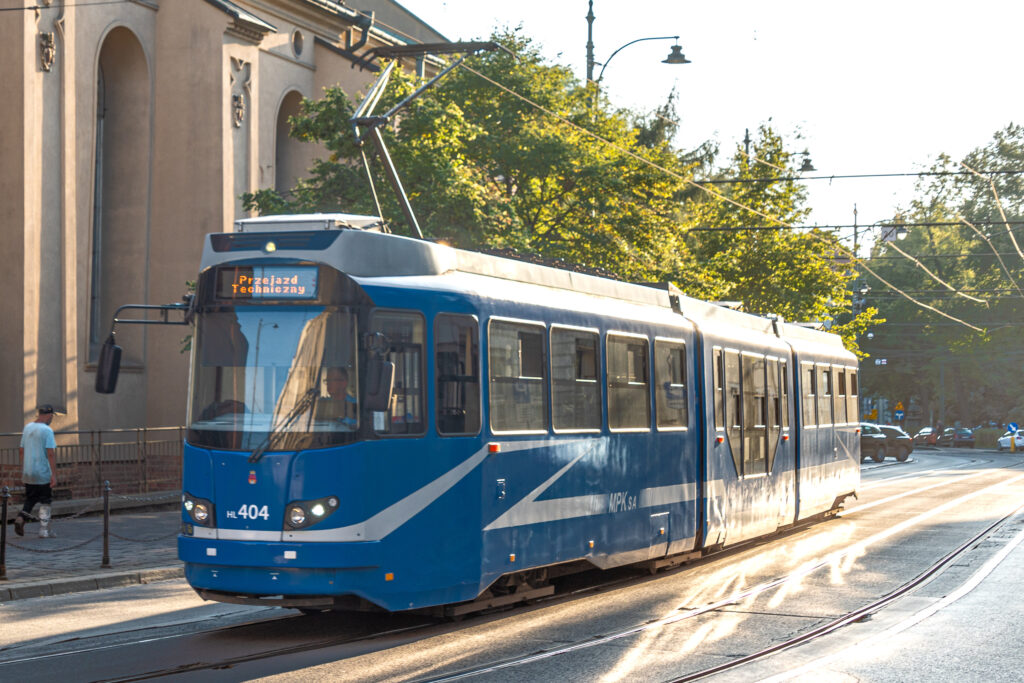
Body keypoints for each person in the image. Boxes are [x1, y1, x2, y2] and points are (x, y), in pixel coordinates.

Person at [15, 404, 58, 538]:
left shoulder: (27, 427)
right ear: (49, 415)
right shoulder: (47, 430)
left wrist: (24, 468)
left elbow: (21, 450)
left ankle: (21, 518)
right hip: (42, 471)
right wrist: (54, 475)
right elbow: (50, 453)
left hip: (29, 471)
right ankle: (44, 530)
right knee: (46, 500)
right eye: (51, 416)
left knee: (30, 499)